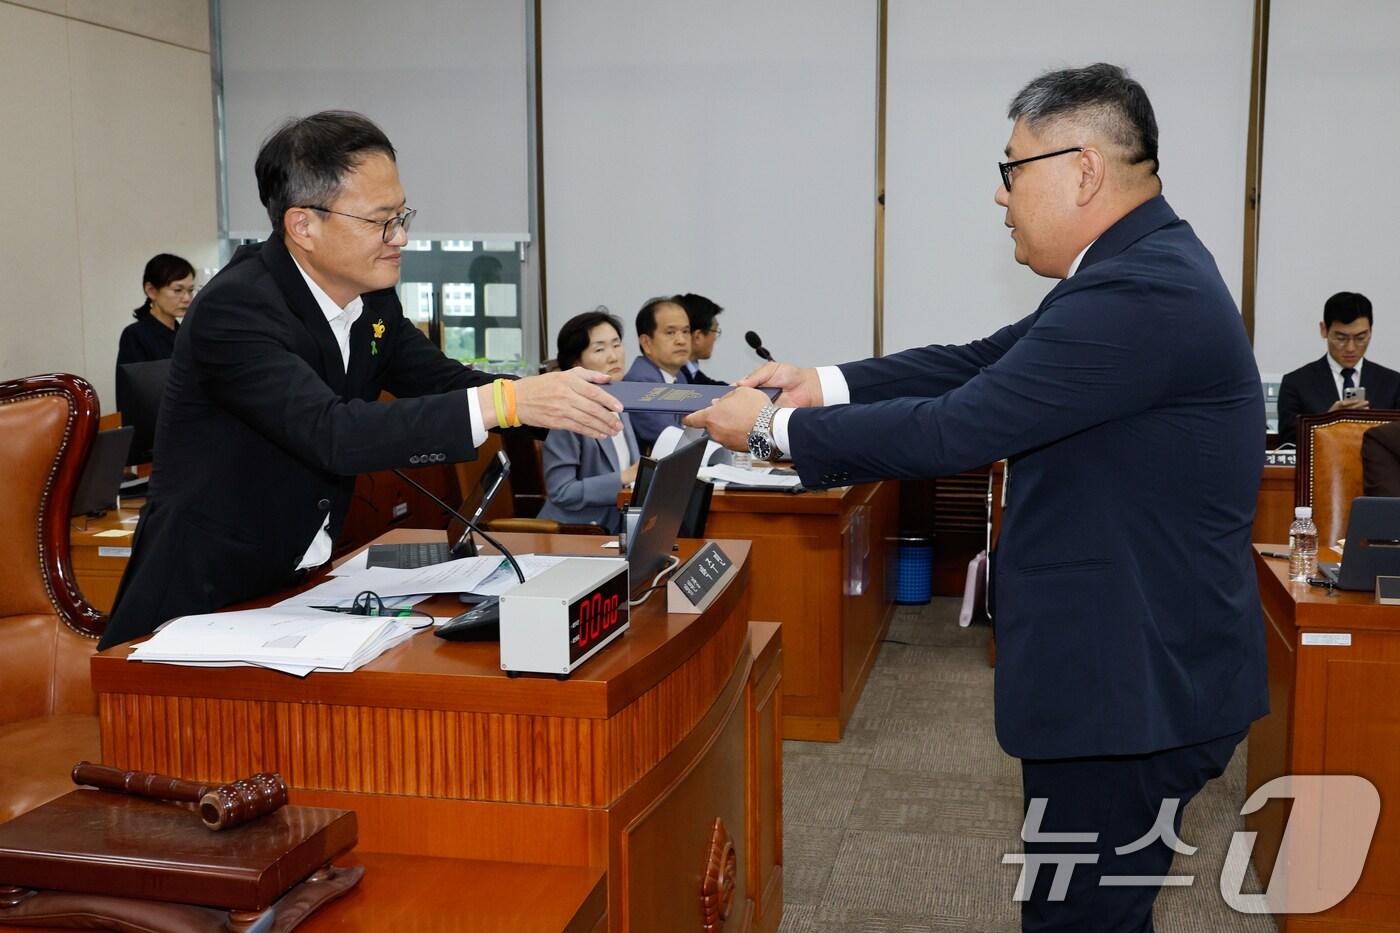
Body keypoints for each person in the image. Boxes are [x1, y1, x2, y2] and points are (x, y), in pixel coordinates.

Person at [687, 64, 1268, 931]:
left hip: (1131, 686)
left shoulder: (1143, 290)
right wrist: (823, 382)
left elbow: (959, 426)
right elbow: (977, 361)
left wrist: (774, 433)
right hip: (1128, 673)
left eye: (1011, 169)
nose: (1000, 197)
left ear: (1082, 169)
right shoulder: (1135, 269)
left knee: (1079, 919)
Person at [100, 111, 623, 650]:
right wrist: (509, 401)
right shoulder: (236, 308)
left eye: (403, 215)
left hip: (295, 585)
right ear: (303, 224)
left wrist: (585, 400)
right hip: (201, 599)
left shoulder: (371, 297)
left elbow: (443, 381)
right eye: (381, 221)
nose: (401, 237)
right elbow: (332, 433)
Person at [535, 309, 641, 533]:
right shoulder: (566, 415)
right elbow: (562, 492)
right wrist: (624, 477)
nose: (613, 356)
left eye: (616, 344)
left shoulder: (619, 402)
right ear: (576, 364)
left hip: (613, 531)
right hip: (573, 533)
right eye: (600, 349)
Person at [1275, 292, 1400, 446]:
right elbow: (1288, 444)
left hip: (1376, 468)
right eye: (1341, 338)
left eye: (1361, 338)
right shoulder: (1296, 383)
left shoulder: (1393, 383)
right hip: (1322, 468)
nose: (1350, 348)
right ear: (1324, 330)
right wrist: (1327, 423)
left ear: (1371, 331)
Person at [115, 254, 196, 411]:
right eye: (178, 290)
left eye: (190, 290)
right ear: (151, 291)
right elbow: (133, 396)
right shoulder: (135, 335)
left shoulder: (185, 334)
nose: (186, 298)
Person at [622, 296, 692, 453]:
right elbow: (671, 437)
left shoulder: (679, 377)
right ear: (646, 343)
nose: (681, 340)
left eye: (686, 331)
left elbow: (693, 426)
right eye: (670, 332)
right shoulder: (640, 384)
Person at [675, 292, 728, 386]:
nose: (715, 338)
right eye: (715, 331)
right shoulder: (670, 376)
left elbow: (712, 387)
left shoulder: (691, 372)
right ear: (698, 336)